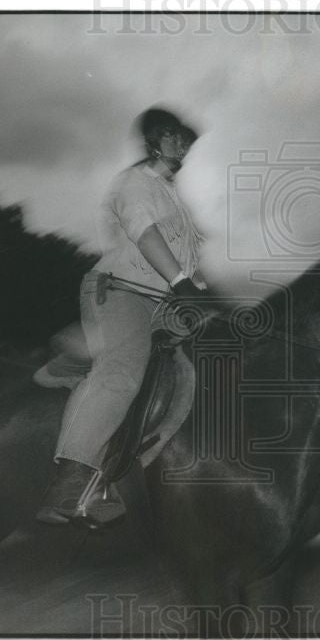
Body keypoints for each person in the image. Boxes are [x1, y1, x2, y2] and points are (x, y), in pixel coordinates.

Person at [36, 107, 208, 526]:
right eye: (172, 135)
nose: (181, 144)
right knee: (124, 370)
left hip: (164, 303)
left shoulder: (174, 198)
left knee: (201, 369)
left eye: (186, 138)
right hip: (120, 292)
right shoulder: (134, 183)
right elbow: (145, 234)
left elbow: (186, 260)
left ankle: (125, 474)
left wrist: (205, 297)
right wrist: (183, 283)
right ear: (153, 141)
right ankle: (70, 481)